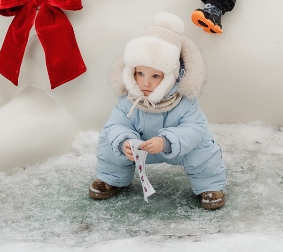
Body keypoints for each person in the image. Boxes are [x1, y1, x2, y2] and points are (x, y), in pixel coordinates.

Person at [90, 13, 226, 210]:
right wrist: (124, 141)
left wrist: (167, 141)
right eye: (140, 73)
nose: (145, 82)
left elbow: (194, 128)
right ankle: (111, 178)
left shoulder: (184, 100)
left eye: (155, 76)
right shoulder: (128, 98)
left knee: (203, 146)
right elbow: (116, 124)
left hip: (178, 149)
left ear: (171, 75)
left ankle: (209, 186)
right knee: (109, 140)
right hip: (139, 148)